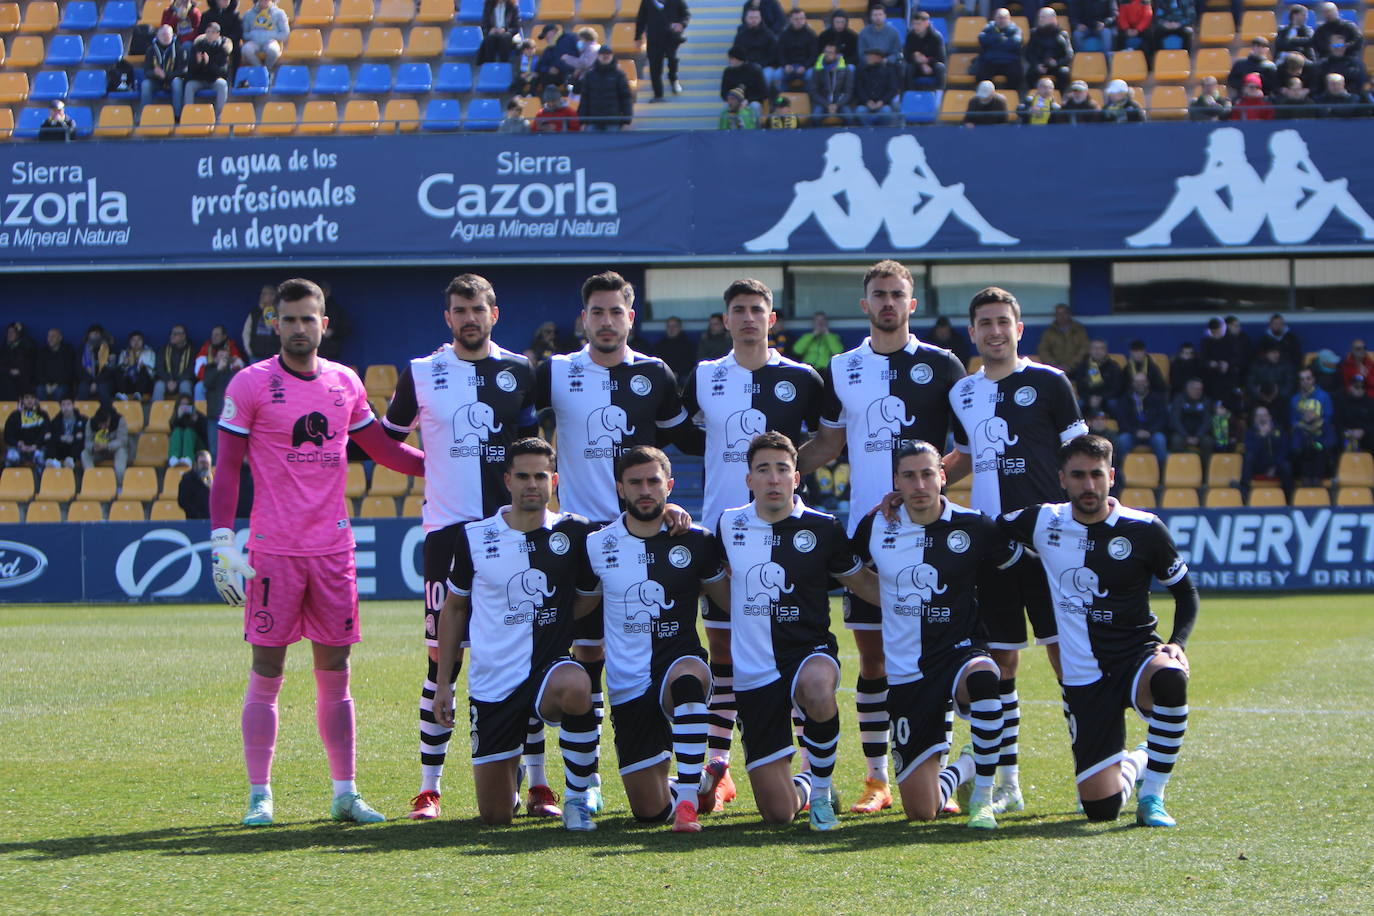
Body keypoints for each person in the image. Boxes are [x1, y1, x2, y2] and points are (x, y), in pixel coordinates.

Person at [209, 278, 425, 828]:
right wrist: (221, 541)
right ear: (274, 324)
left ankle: (345, 793)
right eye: (290, 319)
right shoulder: (250, 384)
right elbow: (228, 468)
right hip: (274, 552)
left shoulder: (344, 382)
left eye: (310, 319)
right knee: (267, 669)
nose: (300, 328)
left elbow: (381, 450)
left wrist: (447, 464)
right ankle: (260, 795)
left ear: (324, 324)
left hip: (332, 551)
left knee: (337, 671)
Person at [796, 261, 966, 816]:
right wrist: (776, 474)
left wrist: (927, 494)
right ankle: (876, 778)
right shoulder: (842, 367)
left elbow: (962, 451)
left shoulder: (943, 365)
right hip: (868, 539)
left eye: (897, 294)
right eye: (879, 295)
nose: (888, 303)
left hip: (932, 539)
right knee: (873, 660)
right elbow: (826, 445)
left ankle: (938, 771)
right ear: (864, 304)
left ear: (911, 304)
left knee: (936, 657)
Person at [380, 275, 548, 822]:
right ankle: (429, 787)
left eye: (478, 308)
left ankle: (535, 780)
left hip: (510, 532)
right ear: (447, 317)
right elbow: (385, 440)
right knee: (440, 661)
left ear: (494, 313)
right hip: (448, 535)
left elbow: (532, 450)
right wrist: (426, 467)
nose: (469, 317)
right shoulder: (422, 372)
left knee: (524, 659)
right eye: (460, 310)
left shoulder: (519, 370)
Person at [533, 271, 696, 815]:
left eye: (616, 312)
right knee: (587, 658)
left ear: (631, 318)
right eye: (596, 312)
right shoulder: (555, 372)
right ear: (585, 319)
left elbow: (686, 442)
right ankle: (584, 781)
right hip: (583, 539)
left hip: (646, 537)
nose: (606, 321)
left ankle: (677, 773)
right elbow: (518, 439)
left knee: (651, 653)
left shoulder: (655, 373)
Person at [678, 279, 826, 809]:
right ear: (724, 318)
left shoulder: (801, 378)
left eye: (756, 310)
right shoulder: (704, 377)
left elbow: (831, 437)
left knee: (788, 649)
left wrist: (781, 478)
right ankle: (719, 765)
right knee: (723, 654)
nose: (747, 318)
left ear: (772, 317)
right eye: (737, 310)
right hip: (722, 532)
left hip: (784, 535)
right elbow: (682, 435)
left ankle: (810, 768)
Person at [1000, 434, 1197, 828]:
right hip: (1083, 676)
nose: (1088, 485)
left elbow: (1185, 593)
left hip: (1137, 656)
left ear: (1111, 475)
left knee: (1172, 679)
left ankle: (1152, 795)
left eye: (1095, 475)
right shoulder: (1043, 520)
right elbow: (982, 532)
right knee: (1100, 810)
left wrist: (1176, 643)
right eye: (1078, 476)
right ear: (1062, 479)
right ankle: (1141, 759)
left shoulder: (1145, 529)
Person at [947, 286, 1088, 814]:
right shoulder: (963, 393)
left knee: (1067, 660)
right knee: (1001, 662)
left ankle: (1089, 772)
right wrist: (923, 479)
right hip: (995, 547)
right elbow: (963, 458)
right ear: (974, 332)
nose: (995, 331)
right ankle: (1007, 781)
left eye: (1003, 321)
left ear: (1018, 328)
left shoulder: (1050, 383)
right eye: (985, 323)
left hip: (1053, 545)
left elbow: (1080, 452)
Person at [431, 438, 601, 830]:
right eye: (522, 476)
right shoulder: (473, 536)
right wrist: (444, 684)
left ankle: (577, 798)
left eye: (540, 476)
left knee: (578, 684)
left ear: (554, 480)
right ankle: (511, 772)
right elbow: (454, 609)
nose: (532, 484)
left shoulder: (574, 532)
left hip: (548, 670)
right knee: (495, 817)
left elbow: (589, 596)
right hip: (493, 683)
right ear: (507, 480)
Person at [718, 431, 880, 831]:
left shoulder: (824, 528)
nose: (773, 479)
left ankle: (822, 794)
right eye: (763, 470)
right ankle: (807, 786)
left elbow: (864, 584)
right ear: (749, 480)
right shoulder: (726, 524)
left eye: (782, 469)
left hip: (809, 652)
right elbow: (709, 579)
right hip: (754, 670)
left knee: (818, 689)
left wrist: (930, 604)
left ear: (796, 478)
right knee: (777, 813)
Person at [852, 443, 1018, 827]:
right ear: (896, 482)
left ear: (943, 476)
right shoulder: (876, 524)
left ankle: (984, 798)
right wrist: (885, 597)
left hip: (961, 653)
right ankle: (962, 768)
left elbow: (1013, 571)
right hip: (908, 671)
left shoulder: (974, 525)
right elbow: (847, 569)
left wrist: (1001, 640)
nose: (919, 483)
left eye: (927, 473)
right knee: (921, 812)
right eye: (909, 476)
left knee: (984, 679)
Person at [577, 446, 731, 832]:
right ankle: (703, 783)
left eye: (653, 481)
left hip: (679, 661)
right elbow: (578, 607)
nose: (645, 490)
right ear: (620, 489)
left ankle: (688, 805)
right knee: (648, 813)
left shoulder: (697, 540)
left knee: (689, 679)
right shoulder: (597, 545)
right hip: (629, 683)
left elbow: (729, 601)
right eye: (635, 482)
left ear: (670, 486)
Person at [1114, 372, 1169, 482]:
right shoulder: (1125, 399)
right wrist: (1135, 431)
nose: (1140, 384)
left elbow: (1163, 419)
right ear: (1133, 384)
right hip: (1132, 433)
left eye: (1143, 381)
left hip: (1152, 433)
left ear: (1147, 383)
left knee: (1160, 440)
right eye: (1137, 382)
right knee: (1122, 440)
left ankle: (1162, 475)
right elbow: (1122, 420)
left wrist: (1150, 431)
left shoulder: (1157, 398)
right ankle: (1121, 474)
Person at [635, 0, 689, 101]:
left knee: (673, 59)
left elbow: (685, 13)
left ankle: (673, 79)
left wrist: (681, 24)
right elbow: (641, 18)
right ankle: (658, 94)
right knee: (655, 67)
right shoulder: (647, 1)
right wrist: (638, 37)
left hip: (671, 38)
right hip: (654, 40)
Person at [1290, 367, 1336, 484]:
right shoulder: (1294, 399)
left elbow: (1328, 417)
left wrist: (1315, 418)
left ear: (1313, 379)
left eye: (1308, 378)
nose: (1305, 381)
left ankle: (1317, 481)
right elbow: (1293, 421)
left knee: (1318, 447)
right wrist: (1304, 421)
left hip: (1320, 436)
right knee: (1302, 447)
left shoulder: (1324, 396)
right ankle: (1305, 480)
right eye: (1302, 379)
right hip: (1303, 436)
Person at [578, 46, 634, 131]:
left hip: (613, 120)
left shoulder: (619, 75)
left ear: (612, 56)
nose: (605, 56)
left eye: (608, 54)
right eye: (603, 54)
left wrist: (627, 121)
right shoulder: (589, 75)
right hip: (593, 120)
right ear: (598, 56)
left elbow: (626, 98)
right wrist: (582, 121)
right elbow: (584, 99)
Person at [184, 20, 232, 116]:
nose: (210, 34)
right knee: (189, 85)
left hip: (214, 80)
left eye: (213, 32)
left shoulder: (222, 48)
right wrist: (197, 63)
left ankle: (219, 116)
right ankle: (188, 115)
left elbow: (223, 71)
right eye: (208, 32)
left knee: (222, 84)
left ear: (218, 34)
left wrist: (208, 63)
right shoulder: (198, 46)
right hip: (200, 79)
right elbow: (190, 71)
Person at [1242, 405, 1291, 491]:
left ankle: (1288, 497)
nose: (1262, 418)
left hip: (1276, 464)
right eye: (1259, 416)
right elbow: (1251, 451)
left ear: (1269, 417)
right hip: (1258, 465)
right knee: (1248, 458)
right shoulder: (1250, 432)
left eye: (1264, 415)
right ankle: (1244, 491)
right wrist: (1262, 437)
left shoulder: (1279, 430)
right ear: (1255, 418)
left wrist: (1275, 467)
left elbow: (1284, 450)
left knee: (1286, 466)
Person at [142, 25, 187, 118]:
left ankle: (177, 116)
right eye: (163, 35)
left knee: (177, 82)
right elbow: (146, 71)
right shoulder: (151, 50)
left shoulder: (179, 49)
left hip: (172, 80)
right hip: (156, 80)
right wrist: (155, 73)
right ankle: (145, 116)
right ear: (157, 36)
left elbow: (183, 71)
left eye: (168, 35)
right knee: (146, 84)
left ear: (172, 35)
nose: (165, 37)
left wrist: (166, 75)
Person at [1025, 8, 1073, 91]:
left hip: (1056, 66)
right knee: (1030, 74)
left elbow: (1069, 54)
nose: (1040, 19)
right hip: (1039, 65)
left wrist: (1057, 63)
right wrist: (1036, 65)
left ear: (1052, 18)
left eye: (1043, 17)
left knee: (1064, 73)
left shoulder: (1062, 34)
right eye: (1040, 17)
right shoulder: (1034, 33)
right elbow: (1029, 52)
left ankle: (1059, 95)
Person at [977, 8, 1024, 92]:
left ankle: (1011, 95)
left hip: (1009, 62)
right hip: (991, 61)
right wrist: (1000, 38)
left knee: (1016, 74)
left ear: (1009, 19)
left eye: (1004, 17)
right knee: (981, 74)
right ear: (994, 18)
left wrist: (994, 42)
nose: (1002, 20)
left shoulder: (1015, 30)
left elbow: (1016, 42)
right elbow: (982, 39)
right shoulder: (989, 28)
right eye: (999, 17)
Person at [809, 41, 854, 126]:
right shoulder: (818, 68)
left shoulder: (845, 69)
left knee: (849, 117)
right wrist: (827, 104)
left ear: (836, 55)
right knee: (815, 117)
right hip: (823, 101)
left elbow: (848, 91)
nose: (826, 54)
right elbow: (813, 91)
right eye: (825, 52)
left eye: (830, 53)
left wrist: (837, 105)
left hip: (840, 102)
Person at [734, 7, 780, 91]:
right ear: (746, 19)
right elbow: (736, 54)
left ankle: (761, 100)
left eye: (756, 17)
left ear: (760, 18)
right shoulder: (740, 36)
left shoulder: (769, 35)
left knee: (766, 77)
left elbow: (773, 55)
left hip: (765, 67)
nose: (754, 20)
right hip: (746, 67)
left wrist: (761, 65)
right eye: (751, 18)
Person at [82, 403, 129, 484]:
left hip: (114, 450)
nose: (103, 427)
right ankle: (92, 481)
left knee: (121, 451)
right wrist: (93, 447)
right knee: (84, 453)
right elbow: (87, 442)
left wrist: (107, 446)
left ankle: (119, 484)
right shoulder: (91, 423)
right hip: (98, 451)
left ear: (109, 419)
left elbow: (123, 441)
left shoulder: (119, 420)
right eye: (101, 425)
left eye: (105, 424)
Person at [853, 47, 900, 126]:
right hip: (866, 104)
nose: (867, 58)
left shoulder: (889, 71)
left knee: (886, 112)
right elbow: (858, 88)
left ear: (879, 58)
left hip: (883, 104)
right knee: (860, 111)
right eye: (868, 56)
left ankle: (883, 132)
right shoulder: (861, 70)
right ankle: (867, 131)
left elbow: (892, 89)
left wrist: (882, 102)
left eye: (871, 57)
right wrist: (867, 101)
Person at [1169, 378, 1213, 458]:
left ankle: (1205, 469)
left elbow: (1207, 421)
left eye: (1200, 389)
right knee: (1176, 441)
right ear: (1188, 389)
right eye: (1196, 389)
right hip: (1182, 433)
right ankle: (1179, 467)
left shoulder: (1206, 401)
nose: (1198, 391)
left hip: (1200, 434)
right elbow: (1175, 420)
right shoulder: (1179, 399)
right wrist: (1186, 436)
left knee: (1208, 441)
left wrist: (1198, 436)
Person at [1037, 304, 1089, 372]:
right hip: (1054, 369)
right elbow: (1043, 350)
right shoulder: (1049, 332)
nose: (1062, 316)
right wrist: (1055, 366)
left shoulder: (1079, 330)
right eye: (1059, 314)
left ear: (1069, 314)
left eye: (1064, 313)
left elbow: (1084, 349)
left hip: (1076, 369)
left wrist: (1070, 365)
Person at [4, 393, 49, 468]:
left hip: (37, 447)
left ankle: (40, 479)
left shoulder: (42, 415)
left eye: (32, 398)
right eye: (27, 398)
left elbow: (46, 434)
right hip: (19, 448)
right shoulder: (14, 416)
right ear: (22, 400)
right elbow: (7, 436)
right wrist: (18, 444)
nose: (30, 400)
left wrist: (36, 445)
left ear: (35, 400)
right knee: (12, 457)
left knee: (40, 457)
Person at [777, 7, 817, 92]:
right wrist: (786, 65)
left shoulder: (811, 35)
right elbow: (780, 53)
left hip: (806, 67)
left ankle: (808, 101)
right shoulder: (784, 35)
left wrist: (805, 67)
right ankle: (782, 101)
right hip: (789, 66)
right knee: (777, 76)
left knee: (811, 75)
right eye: (796, 19)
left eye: (802, 18)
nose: (799, 21)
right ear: (790, 20)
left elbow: (814, 55)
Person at [240, 0, 289, 68]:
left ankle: (267, 70)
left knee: (273, 51)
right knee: (246, 50)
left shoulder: (279, 13)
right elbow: (244, 33)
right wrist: (253, 35)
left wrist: (271, 35)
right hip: (254, 42)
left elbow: (285, 33)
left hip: (271, 41)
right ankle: (260, 69)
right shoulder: (249, 14)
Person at [153, 324, 197, 402]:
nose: (172, 336)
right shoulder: (164, 349)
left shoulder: (192, 350)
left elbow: (191, 370)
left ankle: (186, 413)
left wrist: (177, 382)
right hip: (166, 381)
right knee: (159, 385)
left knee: (185, 385)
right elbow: (159, 368)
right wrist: (168, 380)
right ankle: (156, 414)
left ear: (183, 336)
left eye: (175, 334)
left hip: (182, 380)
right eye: (171, 333)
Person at [905, 11, 947, 90]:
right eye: (914, 24)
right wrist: (921, 64)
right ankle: (910, 93)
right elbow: (907, 56)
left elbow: (941, 58)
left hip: (932, 67)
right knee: (909, 68)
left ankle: (939, 93)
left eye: (919, 24)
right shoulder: (910, 36)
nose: (916, 27)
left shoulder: (936, 37)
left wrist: (927, 60)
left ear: (926, 24)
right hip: (917, 66)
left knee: (940, 67)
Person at [34, 328, 78, 401]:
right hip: (45, 384)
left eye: (53, 336)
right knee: (39, 390)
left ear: (60, 338)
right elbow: (38, 371)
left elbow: (70, 372)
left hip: (62, 384)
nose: (50, 339)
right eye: (48, 336)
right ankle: (42, 412)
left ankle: (56, 412)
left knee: (59, 391)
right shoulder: (43, 352)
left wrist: (56, 385)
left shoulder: (68, 351)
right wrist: (46, 384)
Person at [77, 324, 117, 404]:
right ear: (88, 335)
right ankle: (80, 414)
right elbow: (78, 369)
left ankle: (107, 414)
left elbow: (111, 369)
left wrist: (96, 382)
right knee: (83, 389)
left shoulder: (109, 349)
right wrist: (91, 381)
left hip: (104, 380)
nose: (95, 336)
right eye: (92, 333)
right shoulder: (82, 350)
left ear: (102, 335)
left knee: (103, 389)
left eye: (97, 334)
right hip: (87, 380)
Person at [166, 392, 207, 466]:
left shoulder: (198, 415)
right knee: (177, 431)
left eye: (187, 405)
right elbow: (173, 430)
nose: (184, 407)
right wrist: (178, 417)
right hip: (181, 446)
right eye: (182, 405)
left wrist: (195, 421)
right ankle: (173, 459)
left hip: (197, 446)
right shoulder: (176, 416)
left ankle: (188, 459)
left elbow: (204, 433)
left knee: (189, 431)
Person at [44, 397, 85, 469]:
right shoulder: (55, 420)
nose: (66, 408)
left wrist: (74, 437)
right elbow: (51, 435)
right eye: (63, 405)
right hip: (61, 446)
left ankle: (71, 461)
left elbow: (84, 435)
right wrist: (61, 437)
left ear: (73, 405)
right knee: (50, 439)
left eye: (68, 404)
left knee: (79, 440)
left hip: (74, 447)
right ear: (60, 407)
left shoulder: (82, 419)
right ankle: (53, 461)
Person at [477, 0, 521, 66]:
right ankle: (489, 65)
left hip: (507, 34)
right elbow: (484, 25)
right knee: (489, 39)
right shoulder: (488, 6)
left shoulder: (513, 7)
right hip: (493, 34)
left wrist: (505, 30)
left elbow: (516, 27)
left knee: (504, 38)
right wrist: (490, 30)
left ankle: (504, 64)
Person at [857, 5, 902, 70]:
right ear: (871, 17)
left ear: (885, 16)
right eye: (875, 15)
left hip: (888, 63)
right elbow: (861, 53)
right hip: (869, 64)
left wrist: (887, 60)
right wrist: (872, 60)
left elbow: (897, 53)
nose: (878, 17)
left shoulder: (894, 32)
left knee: (899, 67)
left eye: (880, 14)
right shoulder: (863, 33)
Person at [243, 284, 280, 362]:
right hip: (256, 355)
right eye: (262, 293)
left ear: (273, 296)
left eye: (266, 293)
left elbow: (279, 331)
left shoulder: (279, 312)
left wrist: (270, 310)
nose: (262, 296)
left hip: (273, 355)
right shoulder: (254, 312)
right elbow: (246, 332)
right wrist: (249, 350)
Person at [115, 331, 156, 401]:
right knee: (118, 370)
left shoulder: (149, 352)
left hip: (145, 383)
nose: (136, 342)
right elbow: (120, 371)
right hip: (129, 383)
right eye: (133, 340)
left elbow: (153, 372)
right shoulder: (124, 352)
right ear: (129, 342)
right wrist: (124, 364)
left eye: (139, 340)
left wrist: (144, 367)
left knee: (143, 370)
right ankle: (122, 394)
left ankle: (138, 394)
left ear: (143, 341)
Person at [1336, 375, 1372, 451]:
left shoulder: (1371, 403)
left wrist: (1364, 431)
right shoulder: (1342, 402)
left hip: (1367, 438)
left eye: (1363, 387)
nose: (1360, 390)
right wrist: (1349, 432)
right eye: (1357, 387)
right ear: (1350, 387)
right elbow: (1337, 422)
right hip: (1346, 436)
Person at [178, 448, 214, 519]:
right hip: (194, 520)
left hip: (214, 519)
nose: (205, 466)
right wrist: (197, 514)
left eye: (207, 463)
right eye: (202, 462)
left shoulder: (216, 477)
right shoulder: (187, 479)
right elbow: (182, 501)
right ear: (196, 463)